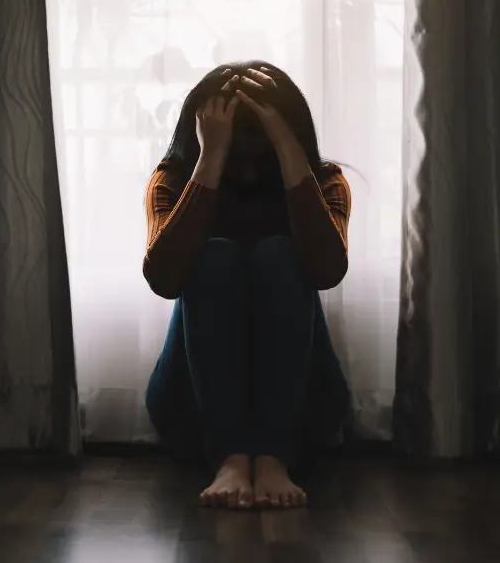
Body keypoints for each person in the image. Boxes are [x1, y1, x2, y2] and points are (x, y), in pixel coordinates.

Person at [143, 61, 352, 510]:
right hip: (192, 411)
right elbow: (163, 279)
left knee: (280, 254)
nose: (252, 176)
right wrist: (210, 160)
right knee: (215, 256)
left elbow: (326, 272)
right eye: (240, 159)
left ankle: (275, 454)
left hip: (304, 414)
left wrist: (288, 149)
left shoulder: (326, 181)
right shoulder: (173, 181)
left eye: (265, 158)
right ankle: (230, 457)